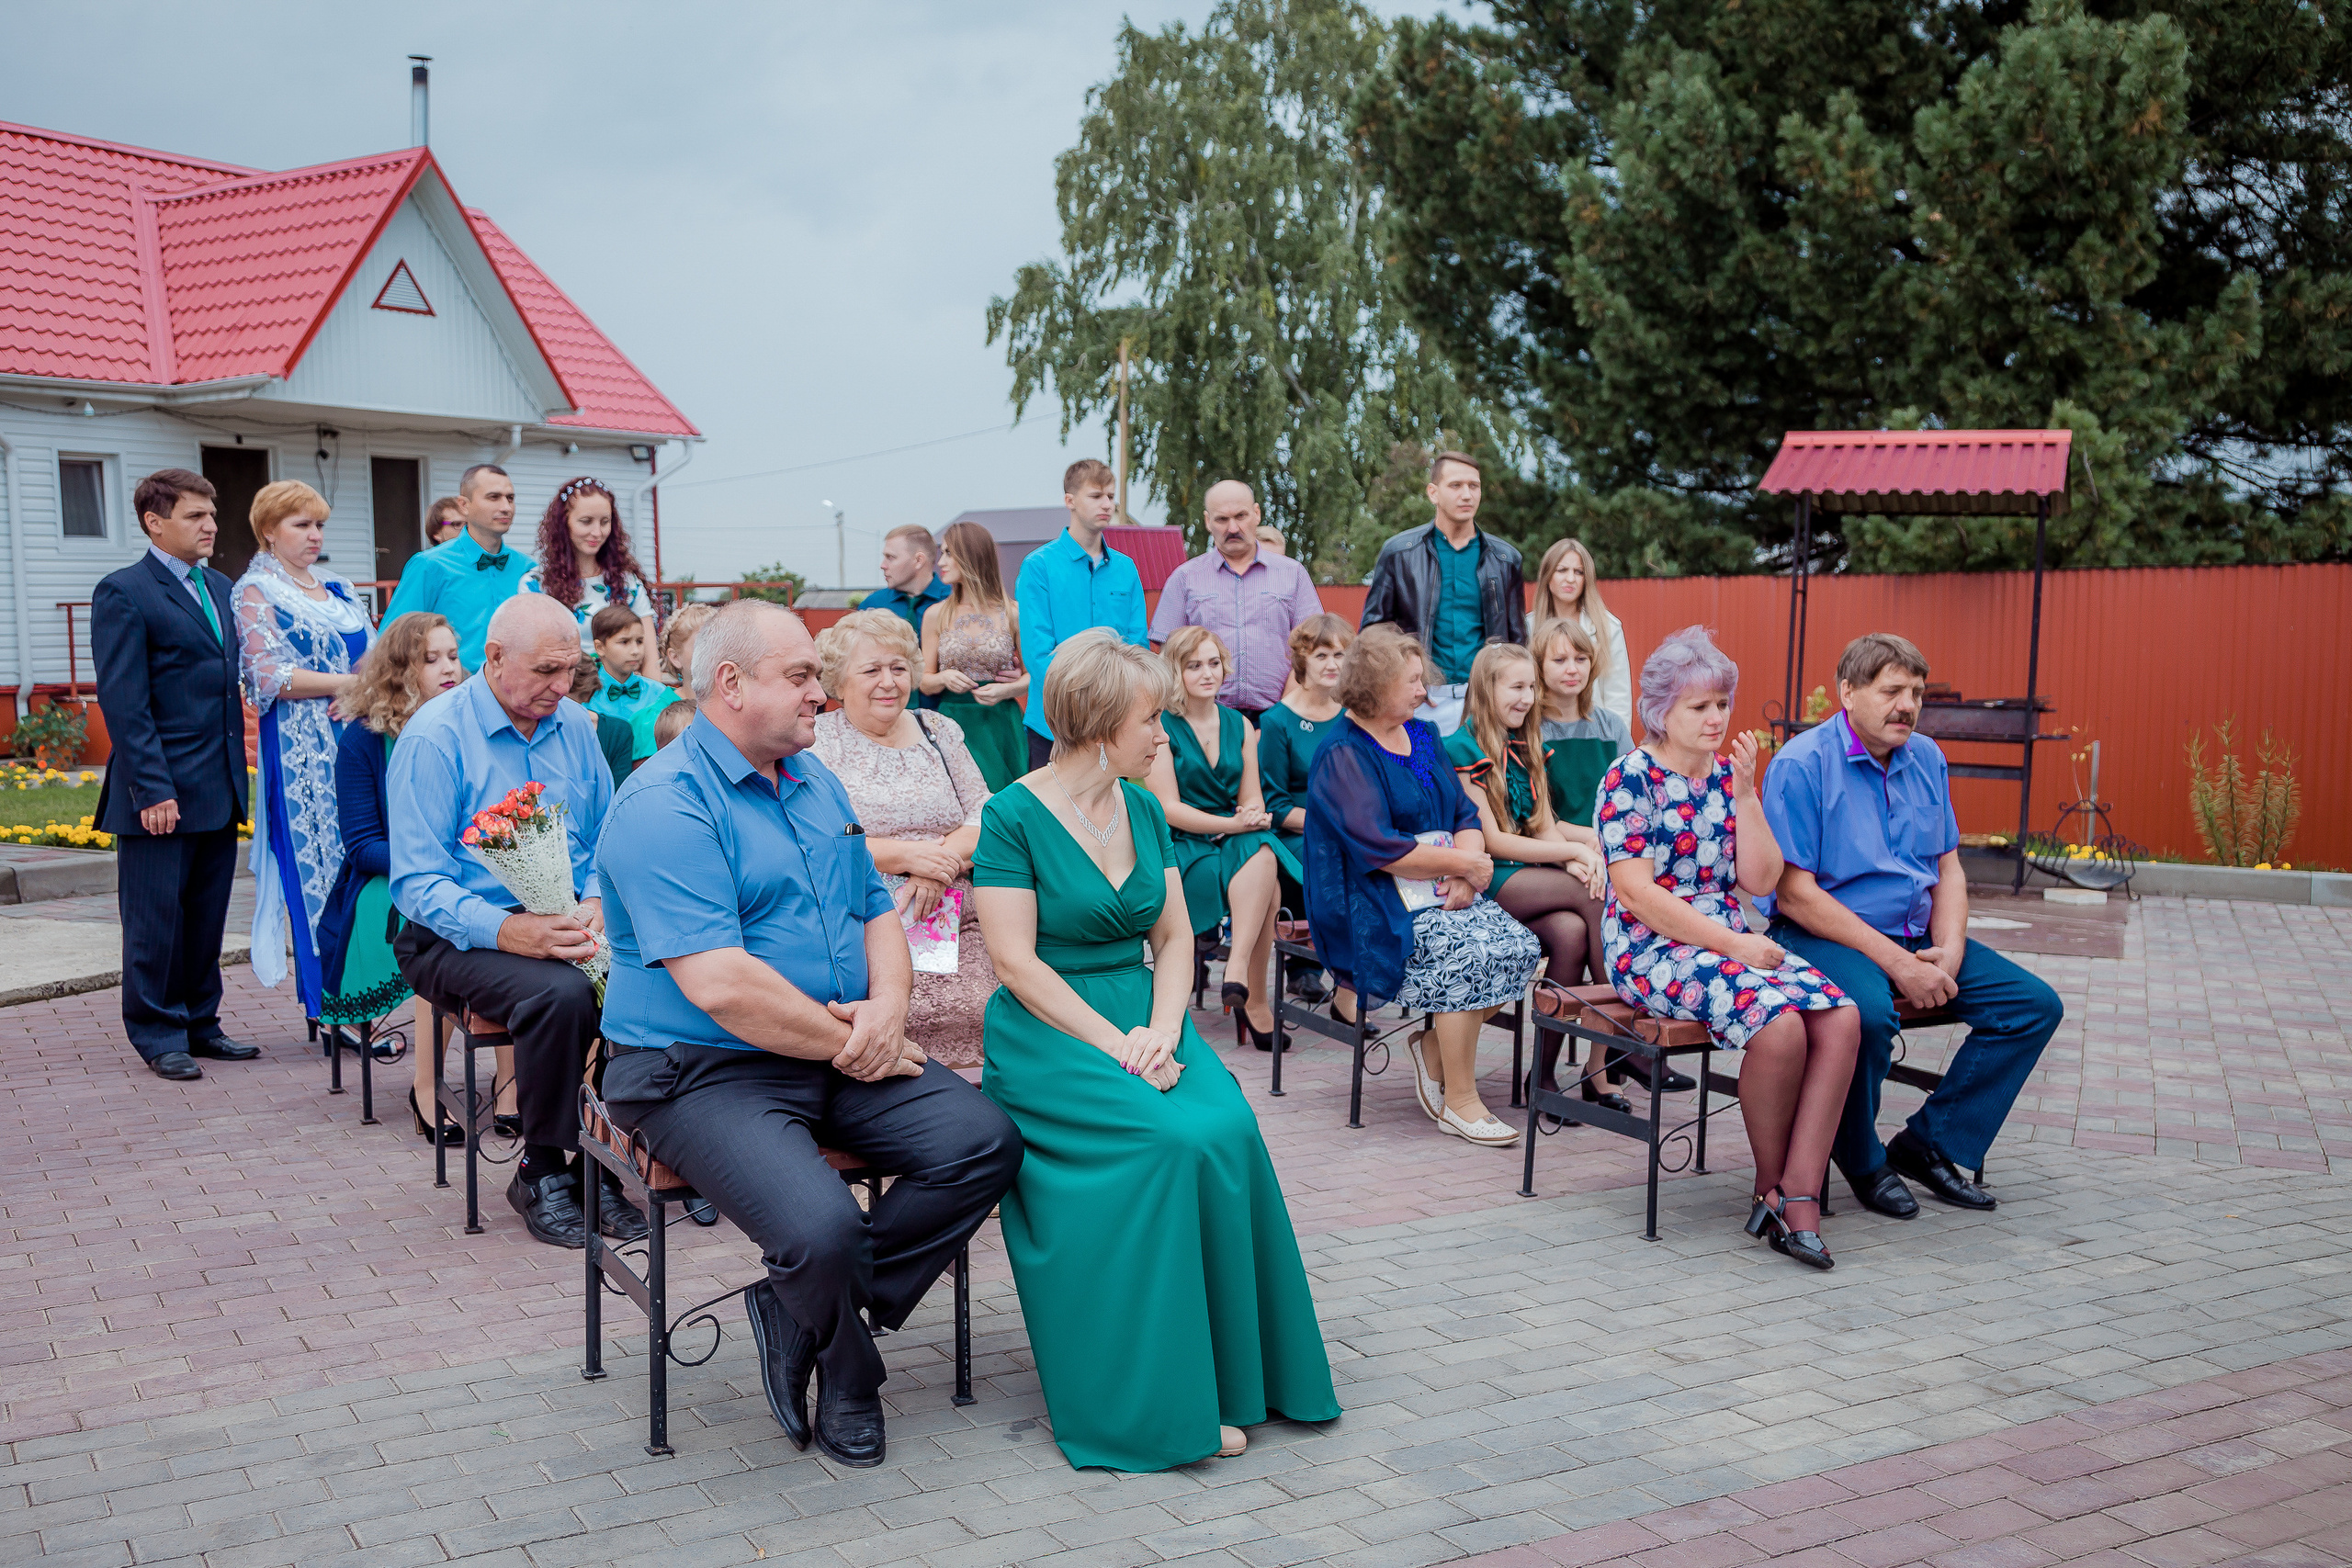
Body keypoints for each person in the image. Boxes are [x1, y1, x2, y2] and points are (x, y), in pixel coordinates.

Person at [596, 600, 1021, 1470]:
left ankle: (796, 1310)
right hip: (701, 1070)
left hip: (840, 1042)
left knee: (984, 1140)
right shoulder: (663, 803)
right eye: (799, 677)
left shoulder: (813, 777)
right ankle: (852, 1375)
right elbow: (719, 984)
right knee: (821, 1230)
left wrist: (889, 1009)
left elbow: (875, 909)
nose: (818, 695)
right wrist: (855, 1040)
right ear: (730, 684)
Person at [973, 629, 1338, 1471]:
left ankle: (1246, 1379)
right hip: (1051, 1030)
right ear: (1102, 726)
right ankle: (1159, 1403)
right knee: (1167, 1143)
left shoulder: (1140, 805)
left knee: (1231, 1127)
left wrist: (1166, 1030)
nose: (1163, 736)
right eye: (1151, 720)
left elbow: (1175, 935)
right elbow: (1016, 964)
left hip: (1147, 1013)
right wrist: (1120, 1045)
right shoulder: (1011, 815)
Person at [1761, 633, 2064, 1218]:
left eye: (1917, 693)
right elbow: (1794, 894)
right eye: (1892, 690)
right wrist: (1898, 964)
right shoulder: (1801, 765)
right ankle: (1862, 1157)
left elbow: (1947, 865)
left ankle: (1930, 1143)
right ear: (1847, 692)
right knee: (1869, 1018)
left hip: (1916, 933)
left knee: (2031, 1006)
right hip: (1822, 934)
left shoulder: (1927, 757)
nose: (1907, 705)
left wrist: (1948, 948)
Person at [1597, 627, 1860, 1270]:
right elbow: (1636, 894)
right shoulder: (1629, 779)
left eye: (1722, 704)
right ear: (1661, 710)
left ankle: (1797, 1190)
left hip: (1729, 937)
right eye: (1699, 707)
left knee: (1842, 1017)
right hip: (1651, 946)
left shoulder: (1725, 776)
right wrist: (1734, 944)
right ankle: (1780, 1195)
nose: (1717, 718)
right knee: (1780, 1028)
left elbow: (1762, 880)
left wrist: (1747, 794)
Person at [387, 593, 636, 1249]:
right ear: (493, 658)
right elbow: (416, 882)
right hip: (453, 933)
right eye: (547, 671)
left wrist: (597, 900)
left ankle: (600, 1160)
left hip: (564, 919)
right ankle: (542, 1166)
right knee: (561, 993)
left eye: (571, 670)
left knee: (650, 973)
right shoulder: (435, 737)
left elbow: (605, 837)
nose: (563, 687)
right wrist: (509, 932)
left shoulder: (576, 725)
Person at [1303, 626, 1543, 1146]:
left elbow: (1463, 811)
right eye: (1411, 681)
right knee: (1467, 956)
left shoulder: (1425, 734)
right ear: (1373, 685)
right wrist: (1463, 866)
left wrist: (1465, 865)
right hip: (1371, 900)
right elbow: (1379, 848)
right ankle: (1460, 1099)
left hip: (1441, 883)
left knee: (1521, 948)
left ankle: (1435, 1045)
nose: (1423, 691)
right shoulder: (1343, 754)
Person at [90, 468, 254, 1081]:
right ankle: (158, 1031)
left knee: (205, 917)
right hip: (160, 789)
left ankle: (200, 1023)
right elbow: (126, 703)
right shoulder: (124, 591)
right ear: (155, 522)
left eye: (212, 514)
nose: (210, 525)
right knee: (156, 923)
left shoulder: (218, 585)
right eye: (194, 515)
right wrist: (150, 788)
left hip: (218, 784)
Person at [809, 610, 999, 1070]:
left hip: (962, 920)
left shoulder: (940, 731)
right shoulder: (819, 741)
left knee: (991, 1012)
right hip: (866, 921)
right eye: (871, 670)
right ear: (838, 680)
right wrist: (910, 857)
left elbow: (983, 812)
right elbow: (817, 836)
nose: (888, 682)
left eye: (897, 668)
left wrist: (939, 864)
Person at [317, 612, 469, 1143]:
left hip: (463, 872)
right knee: (442, 924)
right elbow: (361, 846)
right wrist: (434, 866)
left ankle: (517, 1091)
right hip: (386, 881)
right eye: (432, 659)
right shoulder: (361, 740)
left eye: (453, 655)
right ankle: (427, 1089)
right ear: (400, 670)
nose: (449, 668)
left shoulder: (472, 726)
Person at [233, 479, 376, 1023]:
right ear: (268, 531)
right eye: (301, 525)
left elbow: (375, 657)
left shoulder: (338, 589)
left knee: (361, 863)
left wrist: (364, 688)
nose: (314, 535)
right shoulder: (255, 591)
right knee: (317, 869)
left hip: (355, 739)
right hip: (301, 750)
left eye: (319, 525)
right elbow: (268, 675)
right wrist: (345, 684)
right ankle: (332, 1007)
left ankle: (367, 997)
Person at [1442, 644, 1611, 1096]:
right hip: (1486, 877)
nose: (1528, 698)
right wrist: (1569, 859)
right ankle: (1620, 1030)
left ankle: (1544, 1076)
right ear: (1486, 689)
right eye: (1516, 687)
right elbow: (1493, 842)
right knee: (1592, 892)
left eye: (1532, 687)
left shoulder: (1524, 745)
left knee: (1571, 932)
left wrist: (1580, 850)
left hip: (1527, 878)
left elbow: (1544, 826)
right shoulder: (1461, 748)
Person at [1526, 615, 1668, 1101]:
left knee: (1603, 917)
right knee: (1604, 912)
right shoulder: (1530, 727)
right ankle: (1627, 1043)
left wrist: (1610, 850)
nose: (1572, 668)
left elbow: (1634, 796)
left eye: (1581, 658)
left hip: (1607, 858)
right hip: (1553, 858)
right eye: (1559, 659)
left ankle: (1598, 1067)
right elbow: (1536, 817)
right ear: (1539, 666)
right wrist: (1595, 846)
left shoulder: (1609, 724)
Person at [1146, 627, 1297, 1049]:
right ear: (1176, 671)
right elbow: (1168, 808)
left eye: (1214, 663)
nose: (1207, 673)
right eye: (1194, 665)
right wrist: (1235, 825)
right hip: (1184, 840)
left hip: (1233, 835)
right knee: (1265, 879)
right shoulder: (1162, 726)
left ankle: (1235, 970)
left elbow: (1251, 799)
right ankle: (1254, 999)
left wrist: (1247, 817)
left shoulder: (1240, 724)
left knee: (1263, 853)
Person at [1359, 451, 1526, 735]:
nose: (1467, 495)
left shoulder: (1506, 558)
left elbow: (1517, 640)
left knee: (1482, 780)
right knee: (1422, 779)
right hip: (1421, 699)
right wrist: (1406, 685)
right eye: (1456, 485)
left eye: (1474, 486)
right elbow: (1373, 635)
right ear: (1433, 493)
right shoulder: (1399, 553)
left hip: (1484, 700)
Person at [1148, 479, 1323, 721]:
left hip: (1282, 716)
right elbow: (1168, 654)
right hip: (1203, 720)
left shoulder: (1293, 574)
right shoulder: (1185, 578)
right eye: (1222, 519)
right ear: (1208, 521)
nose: (1232, 528)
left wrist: (1280, 718)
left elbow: (1312, 649)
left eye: (1241, 516)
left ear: (1257, 513)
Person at [1016, 459, 1147, 772]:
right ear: (1069, 500)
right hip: (1052, 724)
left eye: (1111, 496)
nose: (1107, 504)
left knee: (1111, 815)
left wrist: (1111, 700)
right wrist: (1091, 696)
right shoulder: (1039, 566)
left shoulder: (1126, 568)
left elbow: (1138, 647)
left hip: (1113, 722)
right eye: (1096, 496)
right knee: (1050, 817)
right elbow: (1038, 654)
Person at [1258, 614, 1354, 1008]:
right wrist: (1332, 827)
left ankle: (1350, 987)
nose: (1332, 664)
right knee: (1327, 854)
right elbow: (1276, 805)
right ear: (1303, 660)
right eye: (1322, 655)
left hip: (1349, 828)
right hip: (1296, 832)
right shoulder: (1277, 721)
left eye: (1340, 655)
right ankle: (1305, 969)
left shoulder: (1353, 715)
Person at [918, 519, 1027, 791]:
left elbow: (1035, 676)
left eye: (948, 553)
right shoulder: (936, 615)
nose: (941, 562)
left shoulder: (1013, 613)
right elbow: (923, 680)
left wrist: (1007, 691)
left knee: (1005, 802)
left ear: (971, 557)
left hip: (1001, 722)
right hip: (952, 720)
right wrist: (944, 678)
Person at [381, 464, 523, 669]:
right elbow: (391, 642)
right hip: (452, 693)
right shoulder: (430, 566)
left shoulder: (528, 569)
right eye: (494, 497)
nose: (506, 507)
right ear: (464, 505)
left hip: (520, 694)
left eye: (510, 498)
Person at [518, 476, 656, 654]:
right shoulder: (535, 584)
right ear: (563, 524)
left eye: (605, 522)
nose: (597, 532)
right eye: (586, 521)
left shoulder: (628, 583)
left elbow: (650, 656)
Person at [1531, 538, 1633, 735]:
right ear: (1547, 575)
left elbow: (1618, 696)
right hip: (1542, 734)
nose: (1571, 579)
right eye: (1562, 570)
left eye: (1579, 572)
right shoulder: (1528, 627)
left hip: (1594, 733)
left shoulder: (1608, 627)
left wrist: (1614, 744)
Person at [868, 525, 953, 709]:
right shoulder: (872, 606)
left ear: (918, 560)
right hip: (886, 719)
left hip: (947, 716)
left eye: (891, 557)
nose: (883, 565)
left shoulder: (955, 603)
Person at [582, 603, 671, 763]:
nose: (635, 650)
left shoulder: (658, 693)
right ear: (600, 647)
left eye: (639, 641)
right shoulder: (585, 695)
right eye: (624, 642)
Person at [656, 601, 717, 697]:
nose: (712, 651)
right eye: (701, 644)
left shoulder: (736, 703)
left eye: (717, 643)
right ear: (675, 657)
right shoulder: (658, 711)